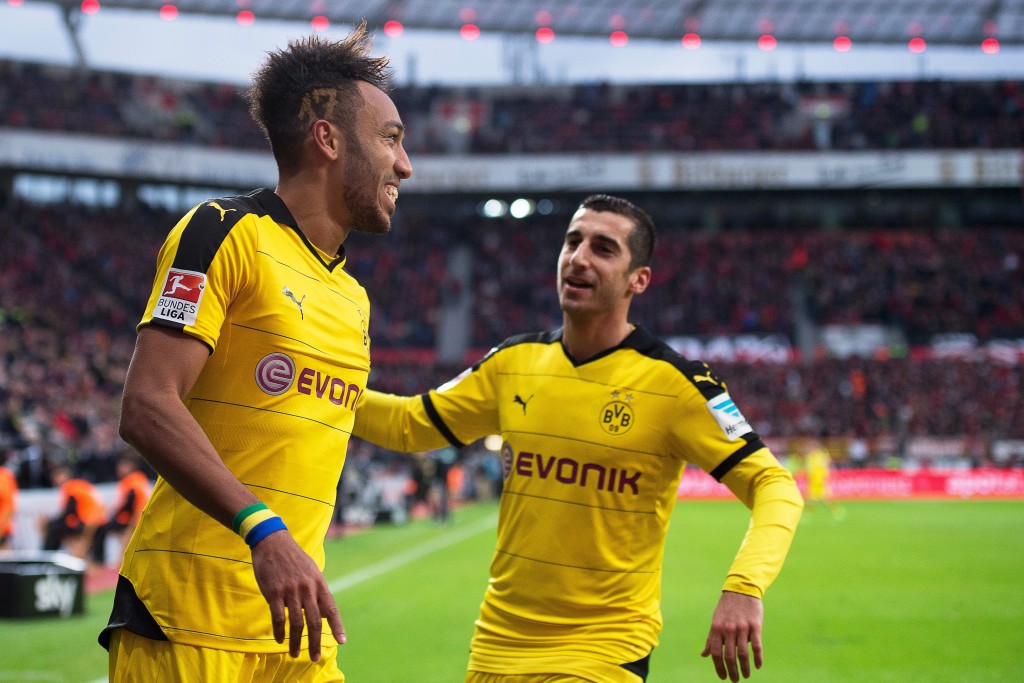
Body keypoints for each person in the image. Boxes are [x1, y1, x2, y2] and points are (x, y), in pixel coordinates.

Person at [353, 195, 804, 683]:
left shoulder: (678, 384)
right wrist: (310, 386)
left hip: (601, 655)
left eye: (604, 248)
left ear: (640, 280)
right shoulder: (512, 362)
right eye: (573, 241)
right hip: (495, 651)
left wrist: (744, 586)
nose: (579, 257)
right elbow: (409, 424)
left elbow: (775, 487)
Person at [100, 23, 412, 682]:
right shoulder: (223, 232)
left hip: (296, 631)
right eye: (390, 138)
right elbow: (147, 405)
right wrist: (263, 530)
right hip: (186, 621)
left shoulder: (352, 295)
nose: (405, 165)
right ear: (327, 139)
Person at [89, 455, 152, 566]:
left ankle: (99, 560)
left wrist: (116, 513)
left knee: (101, 528)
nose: (119, 469)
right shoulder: (139, 478)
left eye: (122, 466)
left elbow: (130, 503)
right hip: (141, 518)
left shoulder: (130, 481)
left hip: (132, 520)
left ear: (130, 466)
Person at [40, 463, 107, 556]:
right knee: (56, 526)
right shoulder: (80, 484)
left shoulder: (70, 487)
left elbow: (69, 511)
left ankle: (48, 557)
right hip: (98, 523)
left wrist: (50, 522)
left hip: (86, 524)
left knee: (53, 529)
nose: (55, 479)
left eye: (58, 476)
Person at [0, 452, 18, 549]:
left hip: (3, 528)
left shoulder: (4, 476)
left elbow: (9, 506)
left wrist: (1, 528)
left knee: (5, 559)